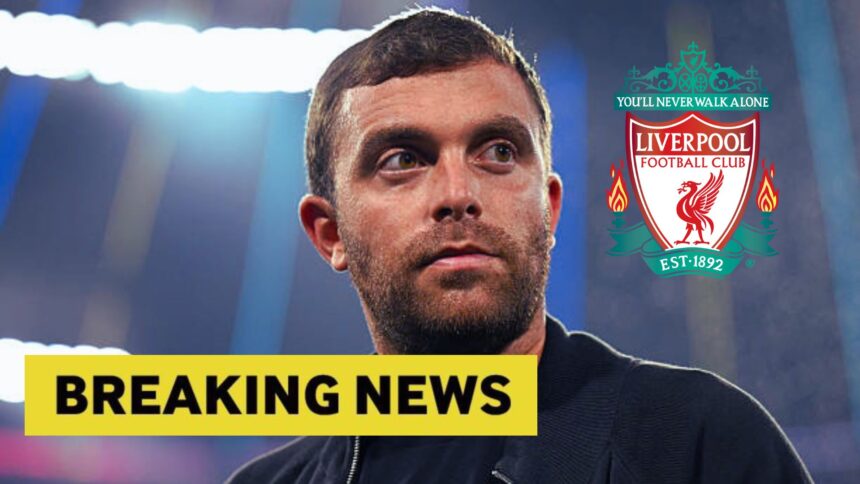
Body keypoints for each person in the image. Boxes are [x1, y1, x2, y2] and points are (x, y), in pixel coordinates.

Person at [228, 7, 812, 484]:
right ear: (330, 235)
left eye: (499, 152)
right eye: (402, 160)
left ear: (549, 208)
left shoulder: (699, 447)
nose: (458, 194)